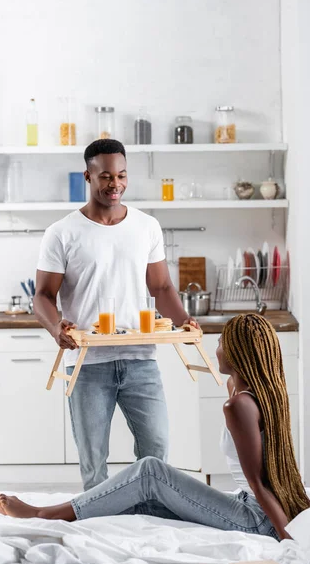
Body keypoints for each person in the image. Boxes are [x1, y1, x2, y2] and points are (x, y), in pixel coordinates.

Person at [0, 313, 310, 541]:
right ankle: (72, 523)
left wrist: (291, 541)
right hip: (249, 507)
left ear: (240, 354)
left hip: (256, 520)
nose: (217, 348)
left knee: (149, 471)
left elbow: (257, 483)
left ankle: (42, 514)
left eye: (223, 342)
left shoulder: (239, 405)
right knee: (140, 500)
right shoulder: (250, 391)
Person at [33, 139, 197, 490]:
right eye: (105, 176)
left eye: (121, 175)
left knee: (156, 450)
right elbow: (42, 296)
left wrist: (184, 321)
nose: (115, 184)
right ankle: (98, 533)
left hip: (140, 359)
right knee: (94, 463)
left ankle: (146, 521)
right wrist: (54, 325)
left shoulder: (146, 226)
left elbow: (162, 288)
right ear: (88, 176)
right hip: (87, 363)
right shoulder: (62, 233)